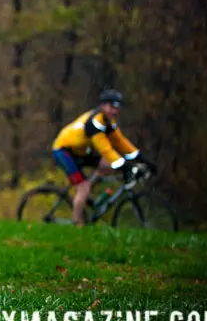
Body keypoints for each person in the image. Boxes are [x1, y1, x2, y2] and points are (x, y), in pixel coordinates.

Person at [52, 89, 157, 226]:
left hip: (80, 150)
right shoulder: (94, 123)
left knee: (107, 165)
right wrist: (126, 167)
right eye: (111, 107)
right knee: (83, 187)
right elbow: (105, 149)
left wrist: (142, 159)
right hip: (63, 150)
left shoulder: (109, 122)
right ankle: (77, 224)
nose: (114, 111)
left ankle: (88, 194)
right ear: (102, 106)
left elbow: (121, 143)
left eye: (117, 107)